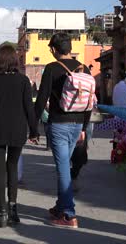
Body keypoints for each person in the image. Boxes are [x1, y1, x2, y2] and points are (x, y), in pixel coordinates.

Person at [34, 33, 92, 229]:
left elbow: (41, 99)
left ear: (53, 49)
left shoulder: (51, 69)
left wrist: (33, 126)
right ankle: (60, 206)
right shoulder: (83, 68)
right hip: (77, 123)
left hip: (58, 123)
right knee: (64, 165)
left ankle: (68, 214)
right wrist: (84, 127)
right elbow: (90, 102)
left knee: (62, 168)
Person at [0, 45, 38, 228]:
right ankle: (13, 209)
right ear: (14, 60)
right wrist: (34, 131)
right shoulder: (23, 81)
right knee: (12, 167)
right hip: (17, 130)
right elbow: (30, 108)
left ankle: (1, 213)